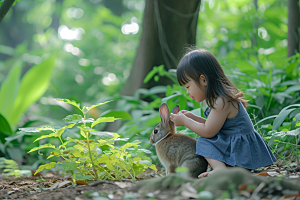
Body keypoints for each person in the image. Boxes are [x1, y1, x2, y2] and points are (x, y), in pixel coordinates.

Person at [170, 48, 276, 178]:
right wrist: (193, 117)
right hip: (235, 148)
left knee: (203, 141)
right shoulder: (220, 98)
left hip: (240, 152)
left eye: (188, 87)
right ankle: (224, 168)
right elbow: (214, 126)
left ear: (203, 80)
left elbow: (208, 131)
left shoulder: (222, 101)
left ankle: (219, 169)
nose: (187, 92)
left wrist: (185, 121)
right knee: (204, 139)